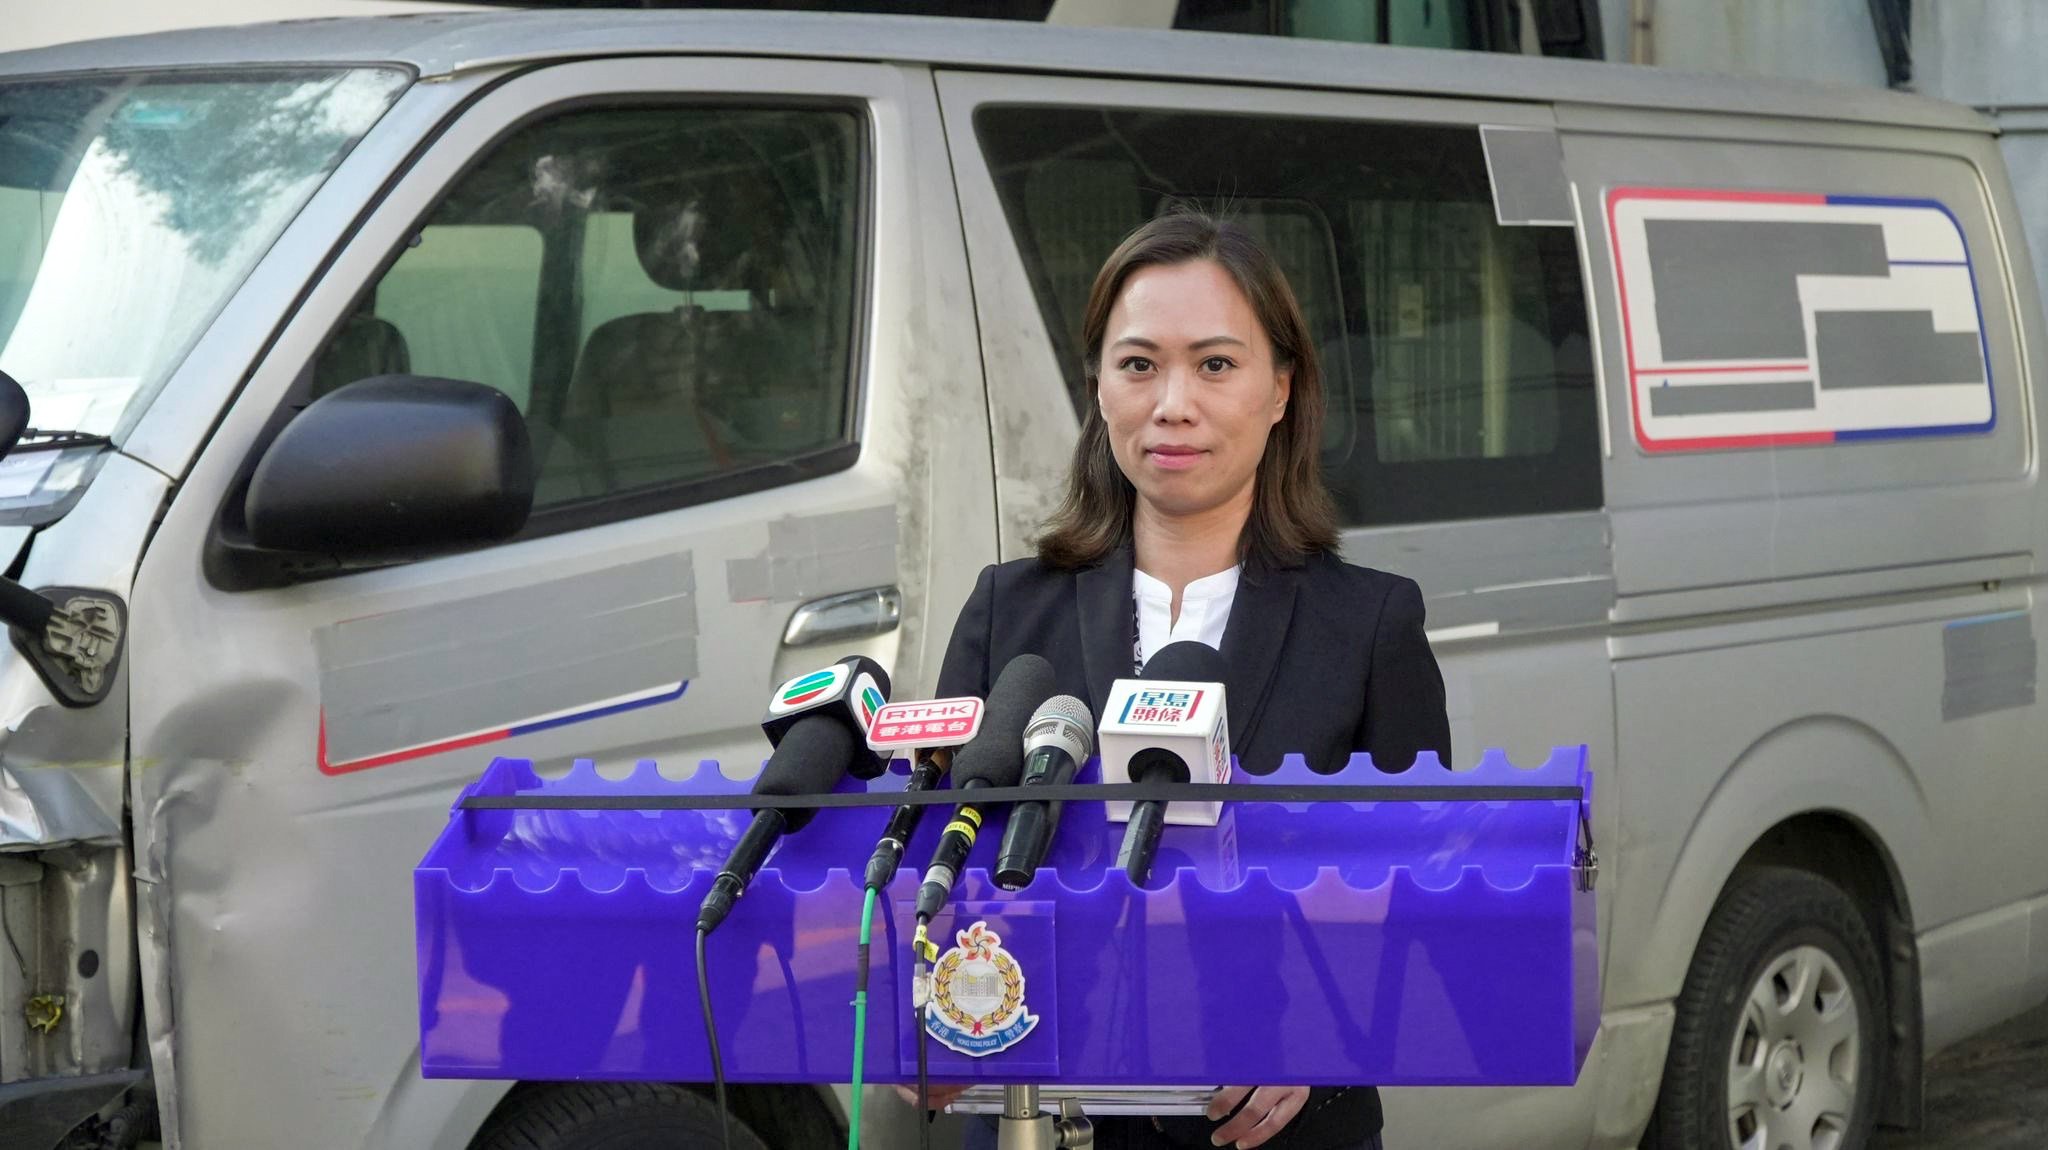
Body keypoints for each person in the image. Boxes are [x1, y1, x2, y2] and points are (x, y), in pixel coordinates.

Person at [912, 207, 1450, 1150]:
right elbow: (935, 857)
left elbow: (1426, 889)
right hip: (1041, 1119)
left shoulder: (1370, 623)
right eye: (1138, 365)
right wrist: (935, 1019)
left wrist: (1325, 1042)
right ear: (1100, 388)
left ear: (1282, 389)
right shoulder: (1010, 613)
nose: (1172, 403)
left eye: (1215, 364)